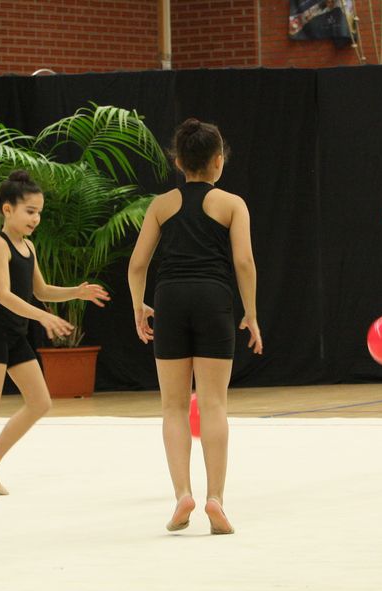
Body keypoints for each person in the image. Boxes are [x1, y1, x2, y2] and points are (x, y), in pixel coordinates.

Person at [127, 119, 264, 533]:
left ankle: (182, 494)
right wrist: (251, 313)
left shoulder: (161, 205)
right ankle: (215, 498)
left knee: (173, 406)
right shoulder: (232, 204)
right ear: (218, 161)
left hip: (169, 299)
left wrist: (139, 306)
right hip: (213, 299)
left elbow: (137, 264)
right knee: (213, 404)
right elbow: (243, 262)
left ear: (178, 161)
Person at [0, 170, 110, 501]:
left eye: (39, 212)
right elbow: (4, 295)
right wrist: (42, 316)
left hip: (15, 334)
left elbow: (41, 290)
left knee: (40, 403)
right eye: (30, 211)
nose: (36, 218)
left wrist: (76, 292)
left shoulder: (29, 247)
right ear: (7, 209)